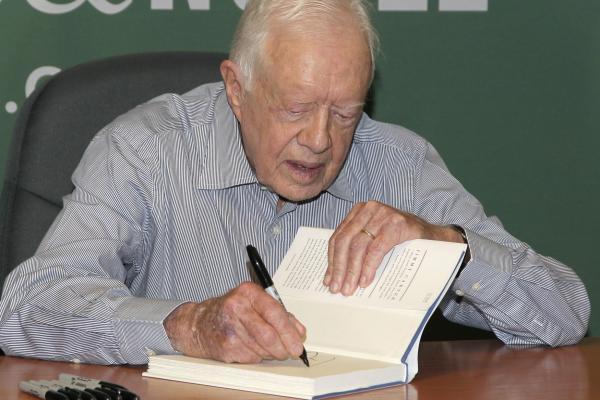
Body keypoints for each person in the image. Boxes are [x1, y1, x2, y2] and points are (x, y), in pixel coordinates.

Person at [0, 0, 590, 365]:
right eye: (294, 108)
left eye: (344, 113)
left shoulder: (395, 163)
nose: (319, 140)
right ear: (236, 89)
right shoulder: (146, 150)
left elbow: (565, 312)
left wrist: (450, 246)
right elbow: (25, 308)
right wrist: (184, 326)